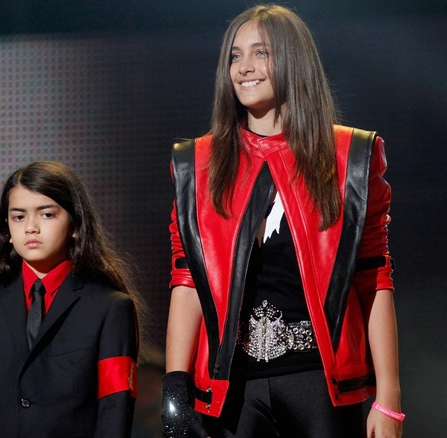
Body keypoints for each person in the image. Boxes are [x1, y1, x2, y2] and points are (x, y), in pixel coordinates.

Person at [161, 5, 402, 437]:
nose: (244, 68)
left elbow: (374, 278)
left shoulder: (351, 157)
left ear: (292, 60)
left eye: (260, 53)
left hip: (320, 386)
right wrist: (176, 387)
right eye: (235, 56)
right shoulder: (197, 163)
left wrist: (389, 400)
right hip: (231, 387)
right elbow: (187, 279)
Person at [0, 161, 140, 437]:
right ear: (6, 228)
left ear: (75, 224)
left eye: (47, 215)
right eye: (18, 217)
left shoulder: (109, 307)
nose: (31, 227)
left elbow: (115, 407)